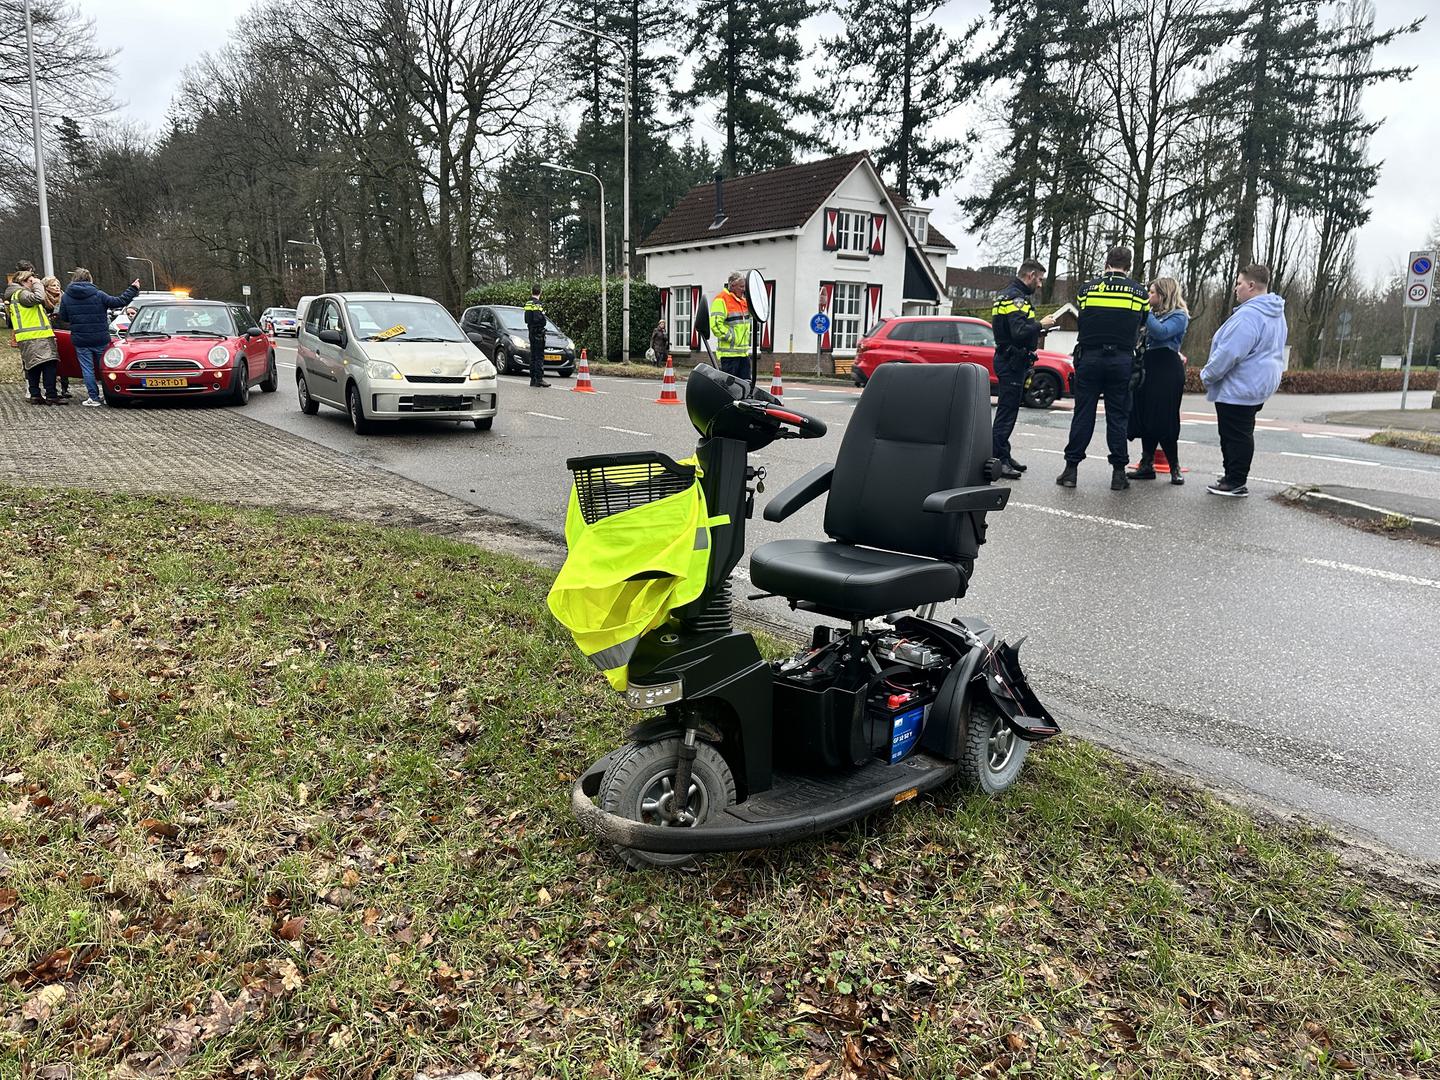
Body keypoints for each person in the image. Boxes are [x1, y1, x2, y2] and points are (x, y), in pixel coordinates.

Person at [1057, 246, 1149, 491]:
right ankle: (1118, 474)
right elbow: (1142, 322)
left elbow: (1084, 316)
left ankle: (1071, 470)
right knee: (1117, 417)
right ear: (1128, 266)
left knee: (1083, 414)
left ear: (1107, 263)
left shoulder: (1087, 289)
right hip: (1121, 360)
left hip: (1090, 357)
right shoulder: (1139, 292)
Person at [1200, 264, 1287, 497]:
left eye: (1239, 283)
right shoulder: (1275, 312)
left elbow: (1230, 352)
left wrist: (1207, 375)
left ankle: (1235, 480)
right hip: (1259, 382)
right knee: (1242, 430)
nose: (1236, 288)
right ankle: (1232, 476)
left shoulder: (1249, 315)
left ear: (1251, 285)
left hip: (1240, 384)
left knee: (1234, 434)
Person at [991, 259, 1058, 479]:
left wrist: (1038, 331)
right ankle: (998, 460)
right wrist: (1040, 324)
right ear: (1030, 275)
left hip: (1011, 359)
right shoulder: (1016, 298)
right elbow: (1018, 331)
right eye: (1039, 279)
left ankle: (1004, 454)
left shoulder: (1007, 294)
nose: (1040, 284)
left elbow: (1014, 330)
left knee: (1008, 411)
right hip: (1011, 361)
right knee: (1006, 413)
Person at [1127, 276, 1190, 485]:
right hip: (1148, 366)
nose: (1148, 295)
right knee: (1146, 415)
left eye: (1152, 292)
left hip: (1167, 368)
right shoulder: (1151, 315)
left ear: (1163, 295)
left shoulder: (1179, 316)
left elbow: (1162, 333)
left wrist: (1144, 310)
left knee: (1165, 417)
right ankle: (1146, 463)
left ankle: (1174, 466)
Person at [56, 268, 140, 407]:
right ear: (90, 279)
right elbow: (119, 301)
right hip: (100, 338)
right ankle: (108, 395)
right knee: (105, 368)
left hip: (80, 339)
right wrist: (133, 288)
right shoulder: (98, 294)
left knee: (87, 369)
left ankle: (93, 397)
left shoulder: (66, 297)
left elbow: (64, 317)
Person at [5, 269, 61, 405]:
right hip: (37, 336)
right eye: (31, 280)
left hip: (29, 337)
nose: (34, 282)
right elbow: (39, 298)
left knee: (33, 366)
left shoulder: (16, 295)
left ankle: (35, 394)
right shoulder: (22, 294)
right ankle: (51, 394)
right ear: (24, 281)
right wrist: (37, 284)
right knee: (49, 365)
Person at [710, 271, 752, 380]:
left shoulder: (743, 301)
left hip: (743, 354)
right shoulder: (721, 300)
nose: (744, 289)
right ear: (732, 286)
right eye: (741, 286)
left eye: (744, 286)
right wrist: (732, 338)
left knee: (746, 385)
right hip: (729, 356)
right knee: (729, 387)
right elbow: (716, 325)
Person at [523, 283, 550, 388]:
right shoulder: (537, 304)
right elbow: (539, 318)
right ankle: (539, 379)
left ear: (532, 291)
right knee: (539, 356)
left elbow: (527, 319)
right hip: (538, 332)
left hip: (531, 331)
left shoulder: (528, 303)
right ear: (540, 292)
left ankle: (533, 379)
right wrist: (543, 322)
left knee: (533, 356)